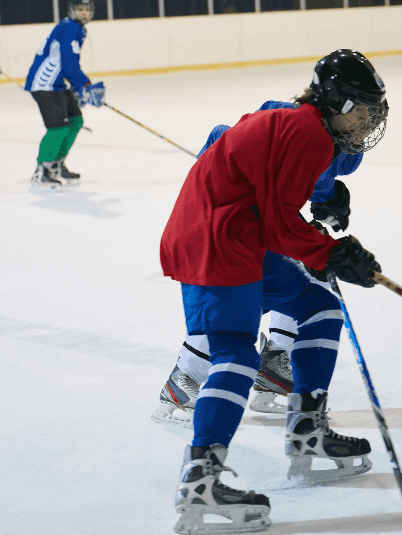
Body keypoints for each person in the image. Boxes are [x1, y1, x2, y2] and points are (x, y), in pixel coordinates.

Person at [161, 50, 388, 534]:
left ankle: (308, 430)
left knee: (319, 307)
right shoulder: (306, 130)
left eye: (374, 110)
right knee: (235, 353)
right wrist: (333, 253)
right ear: (334, 101)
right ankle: (200, 480)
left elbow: (279, 210)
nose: (368, 119)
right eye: (361, 108)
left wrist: (328, 241)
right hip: (217, 236)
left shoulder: (310, 127)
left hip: (234, 231)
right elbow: (280, 223)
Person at [152, 100, 363, 427]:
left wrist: (321, 203)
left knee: (287, 287)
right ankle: (195, 377)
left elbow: (294, 188)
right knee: (242, 312)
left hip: (219, 230)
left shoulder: (302, 128)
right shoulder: (308, 138)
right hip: (217, 237)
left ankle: (252, 368)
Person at [24, 0, 105, 189]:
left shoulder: (75, 28)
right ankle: (42, 170)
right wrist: (85, 85)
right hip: (45, 84)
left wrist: (78, 86)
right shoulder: (70, 29)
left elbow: (68, 66)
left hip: (58, 84)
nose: (83, 13)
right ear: (71, 10)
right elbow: (69, 65)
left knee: (76, 121)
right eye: (79, 9)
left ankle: (56, 165)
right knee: (58, 128)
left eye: (86, 9)